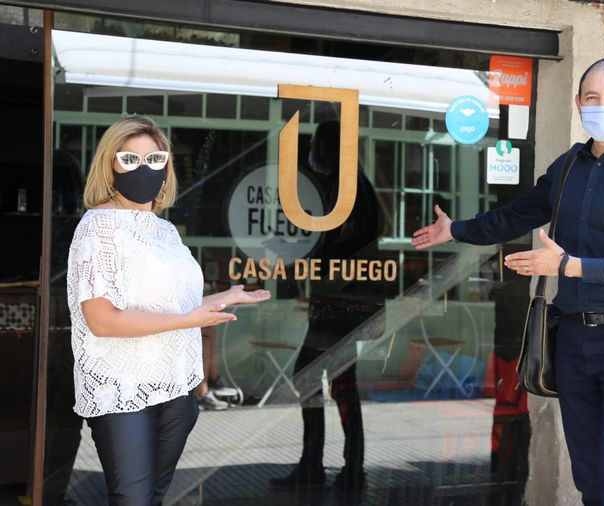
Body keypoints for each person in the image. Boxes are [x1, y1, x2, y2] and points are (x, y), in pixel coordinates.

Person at [412, 58, 604, 505]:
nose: (603, 106)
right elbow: (519, 214)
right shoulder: (568, 167)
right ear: (579, 104)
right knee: (589, 476)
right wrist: (457, 229)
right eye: (593, 98)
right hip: (575, 334)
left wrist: (568, 266)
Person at [66, 115, 271, 505]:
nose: (144, 169)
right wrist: (191, 319)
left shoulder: (165, 230)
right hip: (122, 391)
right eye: (131, 160)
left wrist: (222, 298)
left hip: (174, 390)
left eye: (155, 159)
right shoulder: (98, 228)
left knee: (152, 500)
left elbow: (173, 308)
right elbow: (102, 320)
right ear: (110, 164)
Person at [269, 119, 382, 492]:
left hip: (344, 301)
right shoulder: (350, 183)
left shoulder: (347, 186)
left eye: (316, 143)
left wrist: (302, 256)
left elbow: (346, 242)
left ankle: (327, 467)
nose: (311, 150)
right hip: (344, 300)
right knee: (337, 383)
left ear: (329, 146)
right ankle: (336, 467)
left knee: (317, 378)